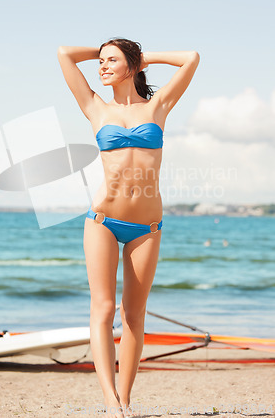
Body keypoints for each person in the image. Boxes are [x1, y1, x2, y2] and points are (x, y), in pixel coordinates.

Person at [58, 38, 200, 417]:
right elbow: (65, 54)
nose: (101, 67)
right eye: (100, 61)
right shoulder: (95, 107)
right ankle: (109, 400)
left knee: (134, 314)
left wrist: (141, 58)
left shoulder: (158, 106)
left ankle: (126, 398)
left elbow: (190, 58)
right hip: (103, 221)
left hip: (146, 227)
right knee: (103, 309)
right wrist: (110, 53)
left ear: (133, 66)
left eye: (110, 61)